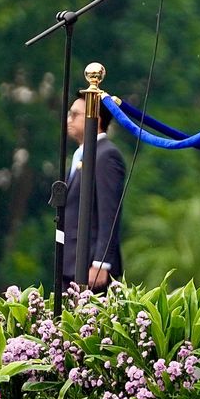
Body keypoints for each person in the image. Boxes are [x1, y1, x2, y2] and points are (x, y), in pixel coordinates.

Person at [63, 97, 125, 292]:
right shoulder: (82, 154)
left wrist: (101, 262)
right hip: (71, 264)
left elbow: (109, 213)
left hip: (91, 268)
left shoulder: (106, 155)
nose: (69, 120)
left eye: (75, 115)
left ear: (95, 119)